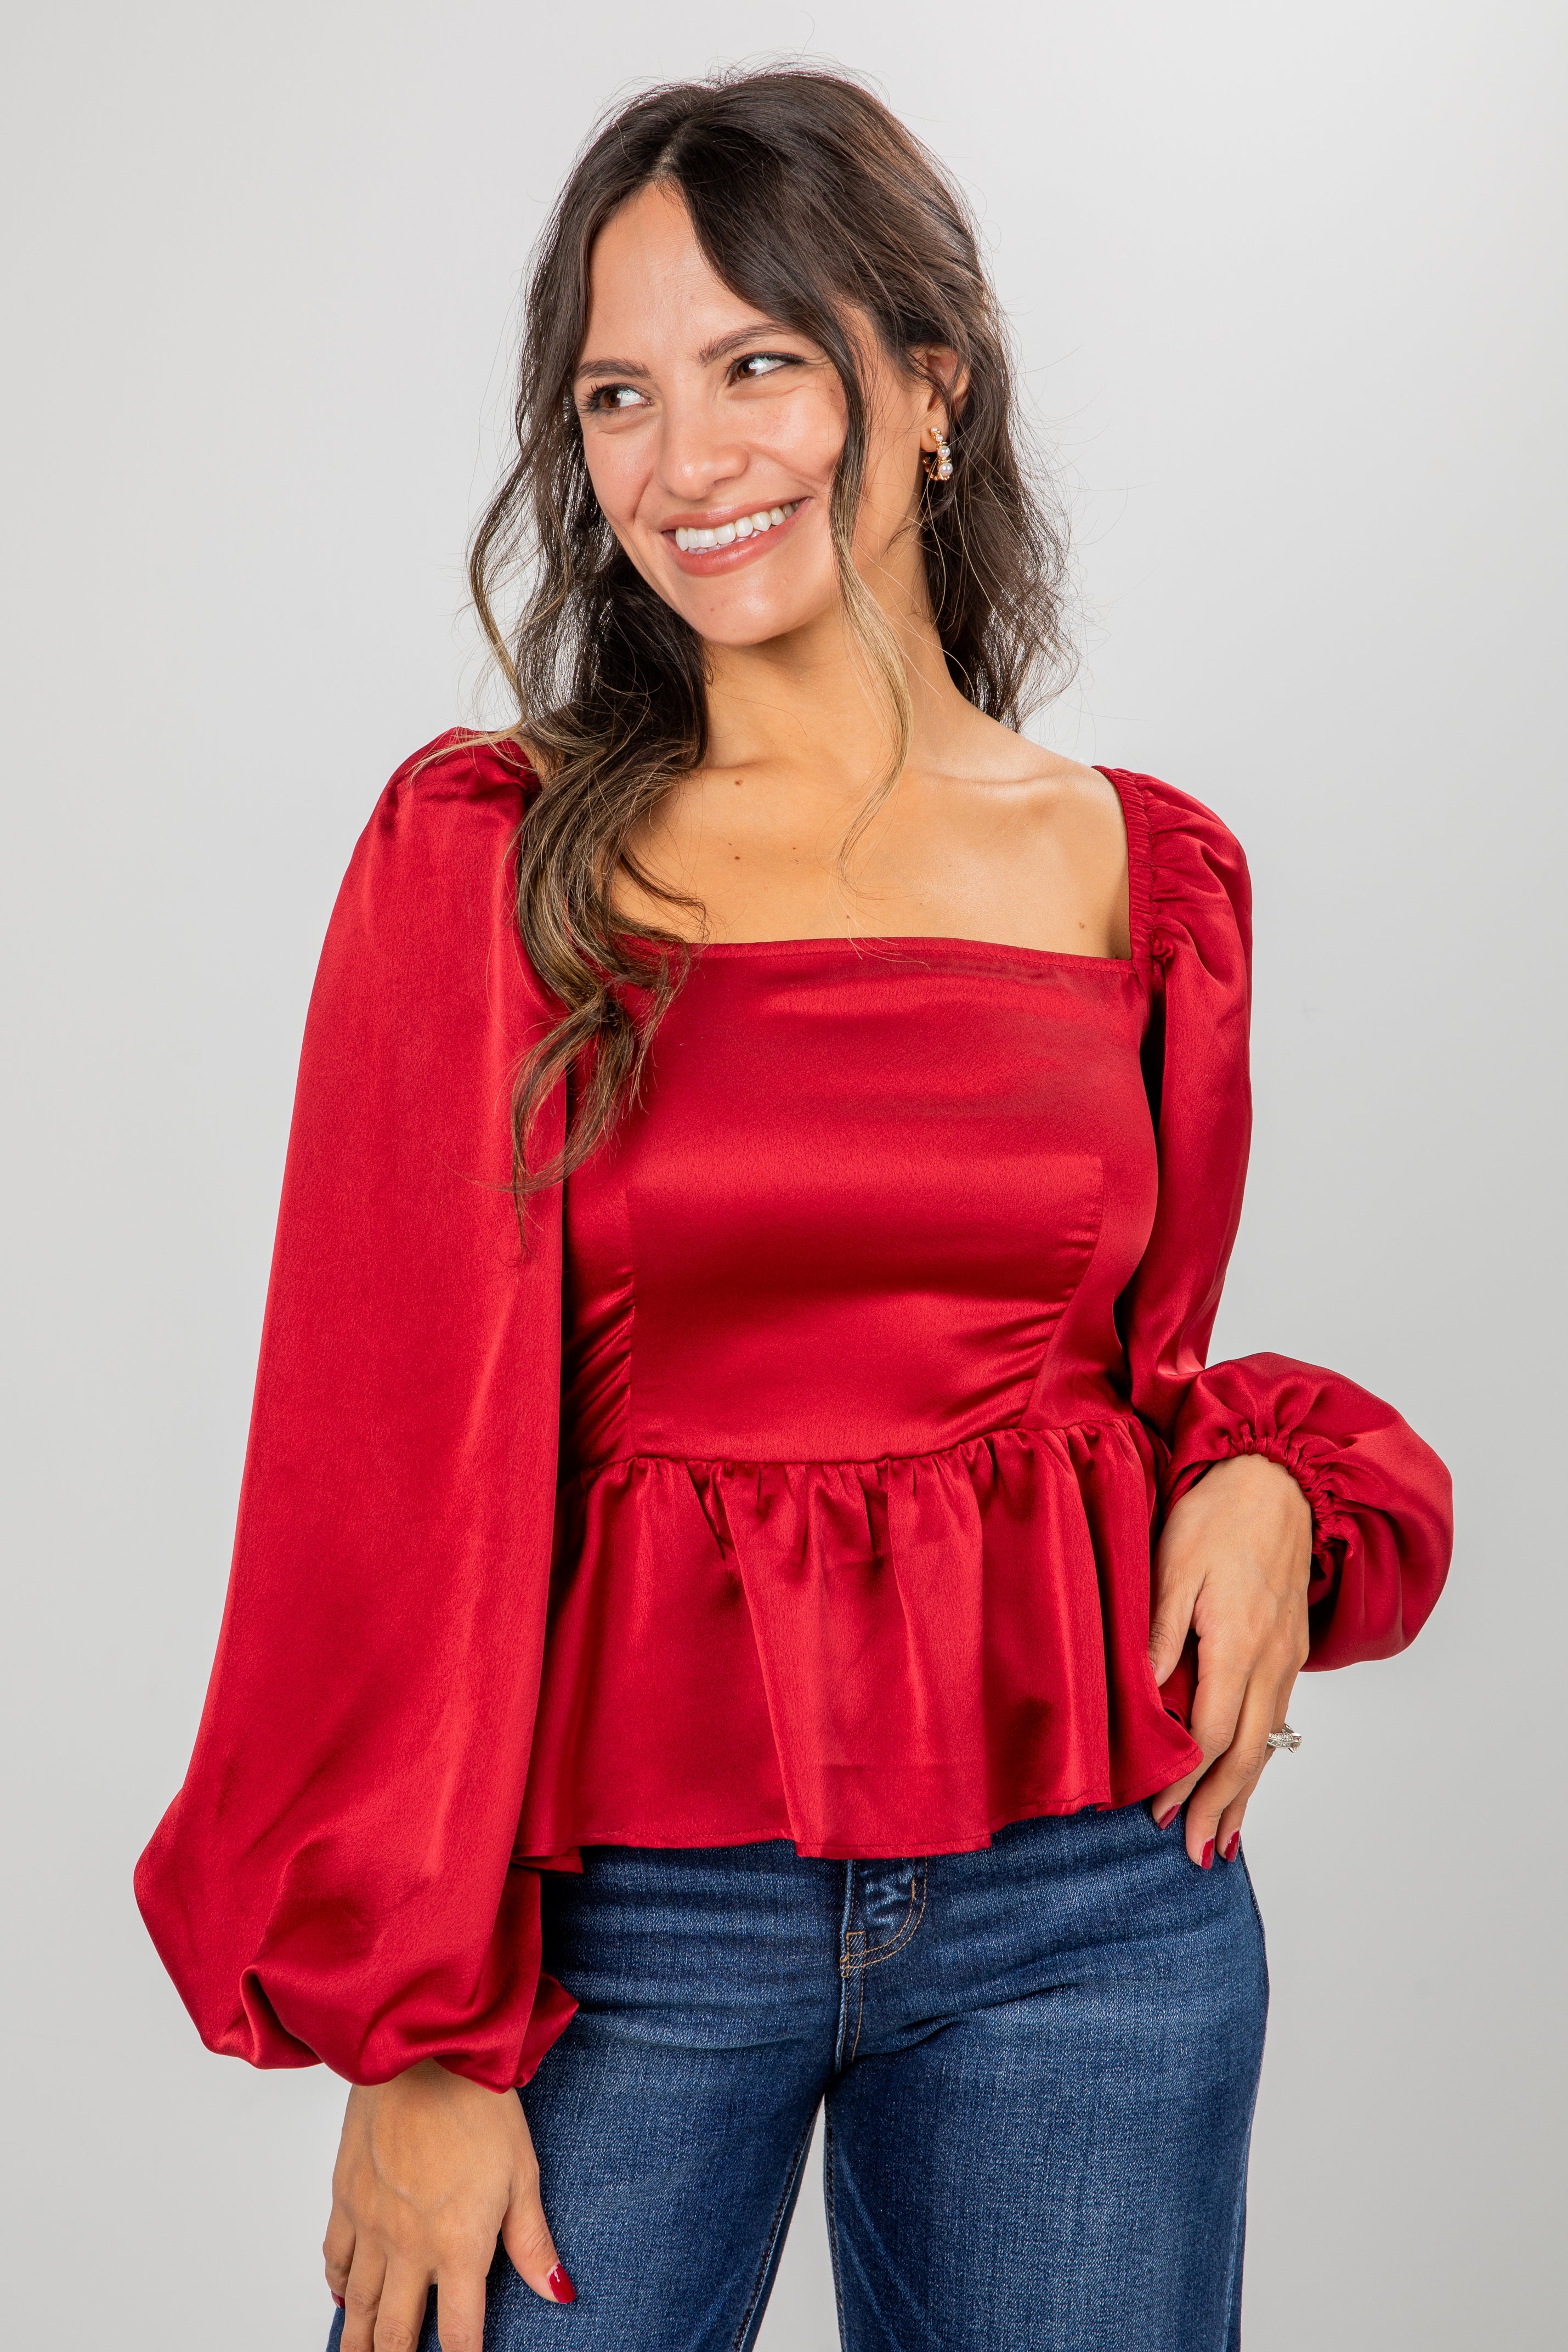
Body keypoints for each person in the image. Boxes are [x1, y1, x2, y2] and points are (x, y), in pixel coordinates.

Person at [135, 67, 1452, 2352]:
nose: (685, 457)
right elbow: (376, 1474)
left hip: (1091, 1901)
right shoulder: (491, 857)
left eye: (757, 363)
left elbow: (1125, 1373)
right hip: (611, 1930)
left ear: (929, 386)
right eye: (618, 395)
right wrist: (414, 2035)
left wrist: (1259, 1472)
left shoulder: (1144, 873)